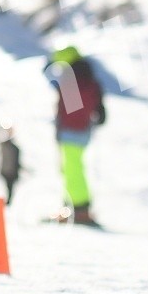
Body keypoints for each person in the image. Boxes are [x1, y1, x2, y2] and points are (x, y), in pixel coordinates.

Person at [48, 46, 105, 226]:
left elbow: (72, 109)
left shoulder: (72, 78)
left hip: (71, 131)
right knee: (71, 169)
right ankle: (71, 208)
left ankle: (80, 210)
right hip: (82, 130)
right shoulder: (88, 78)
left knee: (72, 170)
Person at [0, 125, 21, 206]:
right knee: (6, 188)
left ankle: (8, 202)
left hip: (11, 172)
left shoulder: (14, 148)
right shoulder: (4, 146)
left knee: (10, 189)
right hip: (6, 171)